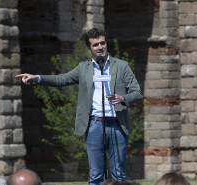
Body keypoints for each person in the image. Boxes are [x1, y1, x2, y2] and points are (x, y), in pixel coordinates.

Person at [15, 28, 143, 185]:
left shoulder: (122, 66)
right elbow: (62, 80)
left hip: (117, 124)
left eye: (102, 43)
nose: (100, 47)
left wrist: (123, 98)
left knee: (119, 175)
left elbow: (137, 93)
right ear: (89, 48)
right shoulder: (84, 68)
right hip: (95, 124)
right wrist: (37, 78)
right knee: (96, 175)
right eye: (95, 45)